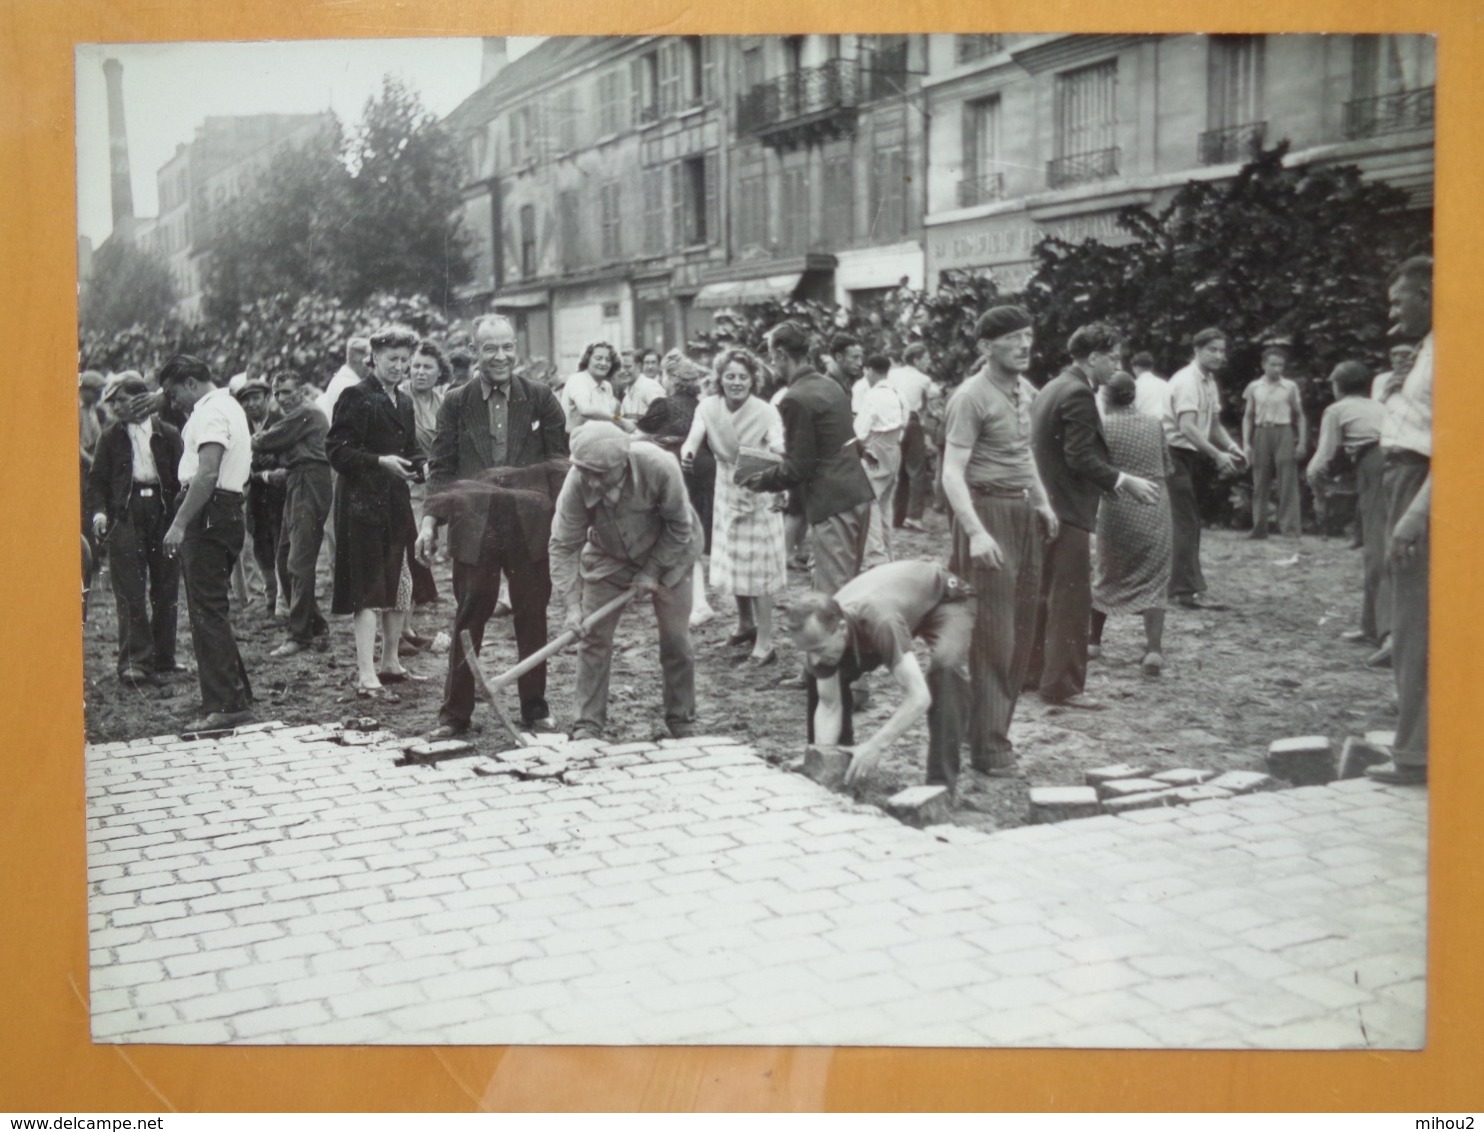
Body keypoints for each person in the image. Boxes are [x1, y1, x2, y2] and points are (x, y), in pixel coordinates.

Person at [418, 314, 569, 740]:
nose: (499, 356)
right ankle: (455, 714)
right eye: (490, 348)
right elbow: (442, 467)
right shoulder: (456, 402)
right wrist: (430, 520)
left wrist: (567, 524)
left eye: (506, 347)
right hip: (475, 522)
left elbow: (560, 467)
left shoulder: (540, 399)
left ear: (515, 349)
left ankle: (535, 707)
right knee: (470, 615)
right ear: (475, 350)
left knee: (532, 615)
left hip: (529, 524)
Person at [940, 305, 1055, 775]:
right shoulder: (970, 397)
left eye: (1028, 336)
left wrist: (1043, 503)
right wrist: (975, 533)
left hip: (1024, 512)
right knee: (994, 636)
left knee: (1024, 631)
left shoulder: (1024, 390)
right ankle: (988, 747)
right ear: (987, 347)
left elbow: (1024, 455)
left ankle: (994, 734)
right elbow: (951, 473)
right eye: (1013, 339)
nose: (1025, 346)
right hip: (986, 514)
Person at [1026, 323, 1160, 706]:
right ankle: (1063, 686)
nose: (1117, 366)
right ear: (1093, 357)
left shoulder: (1052, 387)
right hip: (1067, 508)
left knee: (1042, 595)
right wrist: (1124, 481)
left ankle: (1033, 674)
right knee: (1070, 601)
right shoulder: (1079, 393)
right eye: (1113, 357)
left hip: (1045, 505)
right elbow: (1080, 457)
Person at [548, 421, 702, 741]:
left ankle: (681, 719)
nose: (590, 479)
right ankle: (587, 724)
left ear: (622, 463)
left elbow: (679, 527)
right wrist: (572, 607)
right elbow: (563, 545)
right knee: (592, 636)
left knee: (675, 637)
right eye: (585, 471)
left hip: (671, 551)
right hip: (609, 556)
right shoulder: (577, 481)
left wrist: (652, 572)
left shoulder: (659, 466)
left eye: (598, 473)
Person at [790, 561, 976, 792]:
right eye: (808, 652)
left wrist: (875, 746)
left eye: (818, 650)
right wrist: (821, 761)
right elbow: (829, 705)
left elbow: (918, 698)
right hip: (895, 604)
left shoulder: (881, 621)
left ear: (840, 628)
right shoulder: (821, 635)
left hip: (944, 597)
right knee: (820, 679)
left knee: (946, 667)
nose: (814, 660)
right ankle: (840, 769)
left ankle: (940, 785)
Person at [1357, 257, 1433, 786]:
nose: (1391, 315)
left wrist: (1415, 516)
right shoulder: (1426, 349)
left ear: (1429, 294)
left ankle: (1416, 755)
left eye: (1398, 301)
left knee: (1415, 625)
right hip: (1399, 478)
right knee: (1410, 622)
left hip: (1420, 484)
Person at [741, 321, 875, 597]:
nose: (771, 363)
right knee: (849, 589)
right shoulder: (830, 385)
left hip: (831, 504)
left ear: (780, 354)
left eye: (770, 355)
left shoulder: (795, 397)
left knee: (833, 598)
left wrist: (762, 479)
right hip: (857, 495)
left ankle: (840, 640)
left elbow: (798, 467)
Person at [157, 355, 255, 731]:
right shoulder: (225, 405)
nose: (172, 401)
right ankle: (234, 692)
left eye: (173, 392)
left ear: (191, 383)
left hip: (208, 512)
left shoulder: (212, 412)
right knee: (211, 607)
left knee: (206, 610)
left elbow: (208, 472)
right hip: (224, 510)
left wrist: (180, 523)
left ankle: (228, 704)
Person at [326, 326, 423, 699]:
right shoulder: (356, 396)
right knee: (366, 588)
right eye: (392, 360)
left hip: (395, 502)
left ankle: (391, 662)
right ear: (374, 359)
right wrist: (380, 461)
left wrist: (421, 465)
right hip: (361, 503)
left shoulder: (404, 401)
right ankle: (366, 673)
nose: (399, 367)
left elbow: (411, 448)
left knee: (401, 582)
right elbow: (336, 450)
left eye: (405, 361)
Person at [681, 348, 787, 667]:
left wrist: (785, 471)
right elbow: (693, 438)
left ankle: (766, 643)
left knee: (759, 567)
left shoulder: (766, 411)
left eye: (743, 376)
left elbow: (780, 445)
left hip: (759, 485)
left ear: (753, 380)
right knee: (733, 559)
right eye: (730, 376)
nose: (736, 382)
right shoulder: (708, 406)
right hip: (726, 486)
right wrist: (687, 453)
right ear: (719, 379)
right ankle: (745, 624)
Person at [87, 373, 183, 684]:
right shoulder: (110, 437)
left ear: (142, 399)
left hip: (163, 511)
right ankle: (135, 662)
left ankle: (165, 657)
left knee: (167, 585)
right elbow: (97, 481)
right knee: (129, 588)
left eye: (121, 400)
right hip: (125, 514)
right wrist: (100, 515)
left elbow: (182, 476)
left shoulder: (168, 433)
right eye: (112, 401)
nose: (115, 406)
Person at [1089, 373, 1176, 676]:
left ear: (1106, 397)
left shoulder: (1104, 427)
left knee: (1106, 571)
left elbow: (1096, 468)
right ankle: (1153, 650)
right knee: (1154, 577)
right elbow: (1168, 466)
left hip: (1116, 506)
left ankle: (1093, 642)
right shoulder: (1154, 424)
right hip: (1153, 503)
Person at [1306, 361, 1389, 647]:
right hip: (1391, 465)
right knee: (1374, 543)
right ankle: (1371, 625)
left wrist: (1316, 489)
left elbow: (1322, 458)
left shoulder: (1337, 410)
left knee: (1377, 548)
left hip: (1376, 466)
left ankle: (1385, 631)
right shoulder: (1379, 406)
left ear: (1338, 386)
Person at [252, 369, 332, 657]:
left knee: (298, 560)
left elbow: (265, 442)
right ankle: (315, 623)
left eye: (286, 391)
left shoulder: (306, 412)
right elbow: (279, 448)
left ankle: (300, 635)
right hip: (298, 480)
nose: (281, 398)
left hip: (310, 480)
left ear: (301, 390)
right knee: (285, 556)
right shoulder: (300, 415)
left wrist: (258, 444)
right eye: (277, 393)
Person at [1166, 327, 1247, 609]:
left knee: (1187, 520)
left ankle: (1179, 586)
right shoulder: (1187, 380)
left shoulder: (1209, 381)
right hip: (1171, 454)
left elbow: (1212, 426)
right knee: (1184, 521)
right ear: (1196, 350)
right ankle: (1184, 591)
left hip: (1190, 455)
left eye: (1222, 350)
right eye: (1212, 349)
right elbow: (1187, 427)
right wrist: (1216, 455)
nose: (1218, 355)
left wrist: (1232, 448)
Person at [1241, 345, 1307, 539]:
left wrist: (1301, 442)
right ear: (1263, 365)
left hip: (1284, 431)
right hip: (1262, 432)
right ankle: (1259, 528)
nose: (1277, 369)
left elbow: (1300, 416)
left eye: (1280, 365)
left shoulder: (1290, 386)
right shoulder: (1254, 387)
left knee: (1287, 480)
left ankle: (1290, 530)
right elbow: (1248, 416)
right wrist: (1246, 443)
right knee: (1260, 480)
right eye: (1273, 364)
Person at [236, 376, 286, 617]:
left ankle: (284, 603)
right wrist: (255, 469)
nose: (251, 404)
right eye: (246, 400)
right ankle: (270, 599)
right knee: (261, 546)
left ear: (267, 398)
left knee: (281, 546)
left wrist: (274, 459)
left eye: (256, 398)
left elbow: (290, 456)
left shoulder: (281, 422)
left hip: (279, 496)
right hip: (255, 496)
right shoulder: (241, 426)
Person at [852, 354, 907, 570]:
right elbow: (904, 421)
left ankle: (875, 556)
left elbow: (860, 431)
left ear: (868, 370)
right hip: (894, 448)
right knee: (884, 503)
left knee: (869, 502)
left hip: (876, 449)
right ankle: (886, 552)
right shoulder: (898, 393)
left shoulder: (873, 396)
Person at [889, 343, 936, 532]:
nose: (928, 362)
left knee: (899, 470)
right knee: (917, 471)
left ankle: (897, 515)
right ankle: (914, 516)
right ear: (916, 360)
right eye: (926, 358)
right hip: (911, 420)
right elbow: (927, 404)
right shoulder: (924, 379)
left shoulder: (893, 374)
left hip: (892, 420)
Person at [560, 340, 622, 435]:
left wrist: (620, 419)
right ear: (587, 359)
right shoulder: (578, 379)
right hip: (573, 441)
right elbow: (585, 410)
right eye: (598, 358)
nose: (603, 363)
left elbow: (610, 415)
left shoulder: (606, 386)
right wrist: (620, 421)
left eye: (608, 360)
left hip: (598, 439)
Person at [316, 336, 372, 422]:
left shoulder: (341, 378)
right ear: (359, 359)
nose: (371, 367)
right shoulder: (350, 386)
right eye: (370, 361)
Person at [619, 348, 667, 424]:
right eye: (619, 367)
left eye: (627, 367)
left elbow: (664, 420)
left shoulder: (649, 386)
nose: (622, 371)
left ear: (638, 366)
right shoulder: (627, 395)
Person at [1128, 351, 1171, 422]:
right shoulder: (1165, 384)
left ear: (1136, 367)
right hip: (1165, 424)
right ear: (1151, 367)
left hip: (1144, 426)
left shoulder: (1134, 386)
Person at [829, 334, 865, 400]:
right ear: (838, 357)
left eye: (861, 358)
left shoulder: (858, 383)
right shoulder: (826, 387)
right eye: (855, 358)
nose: (860, 363)